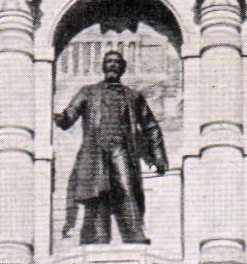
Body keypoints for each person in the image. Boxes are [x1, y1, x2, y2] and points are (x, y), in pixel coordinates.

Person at [54, 49, 167, 246]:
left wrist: (158, 156)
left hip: (121, 150)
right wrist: (56, 115)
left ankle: (135, 239)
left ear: (122, 68)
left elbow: (151, 126)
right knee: (97, 197)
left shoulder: (133, 96)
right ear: (104, 66)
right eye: (109, 62)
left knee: (126, 192)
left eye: (117, 62)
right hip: (95, 152)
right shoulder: (88, 92)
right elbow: (68, 117)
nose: (113, 65)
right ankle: (98, 242)